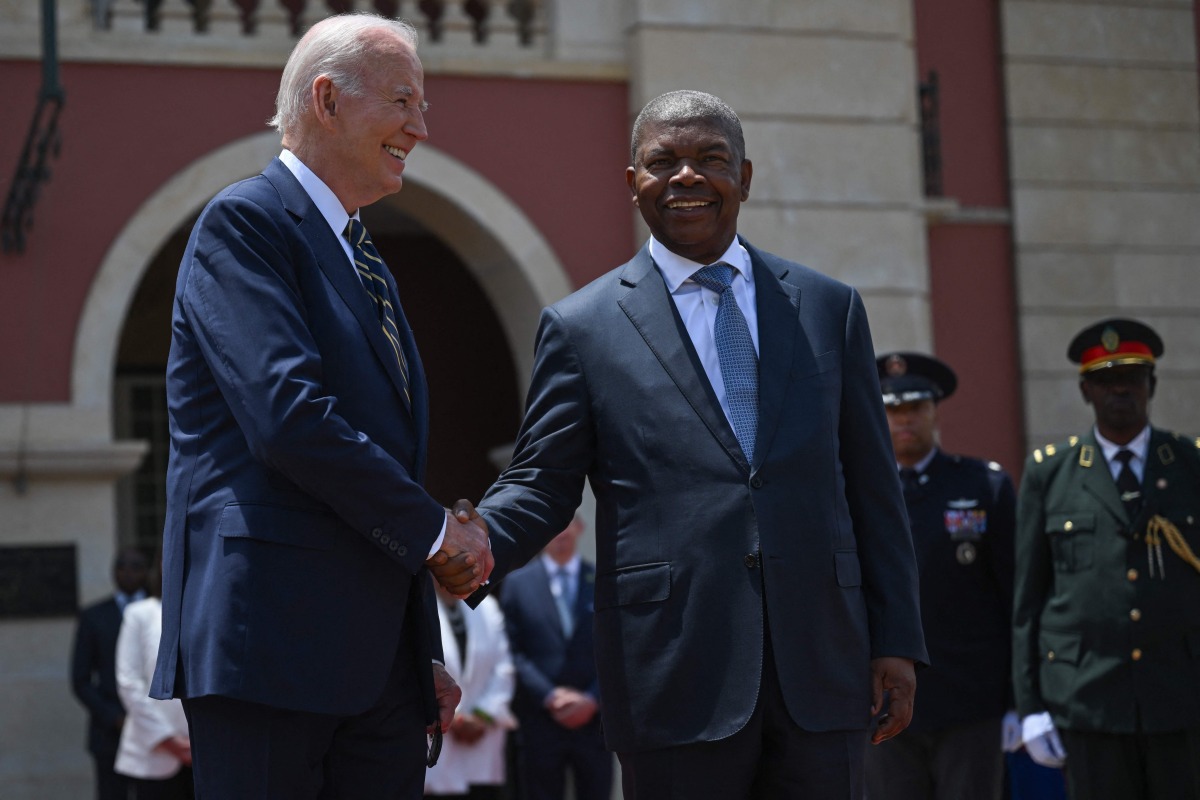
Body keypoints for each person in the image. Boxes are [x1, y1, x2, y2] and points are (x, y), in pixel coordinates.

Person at [456, 89, 928, 799]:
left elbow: (871, 485)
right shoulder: (583, 328)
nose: (686, 177)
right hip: (673, 675)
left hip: (824, 669)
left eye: (710, 158)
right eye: (663, 161)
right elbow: (543, 482)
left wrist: (896, 639)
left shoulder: (829, 307)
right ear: (632, 182)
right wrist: (471, 543)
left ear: (745, 176)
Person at [148, 13, 491, 799]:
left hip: (376, 677)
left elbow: (377, 462)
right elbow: (289, 418)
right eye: (404, 101)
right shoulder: (246, 224)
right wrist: (440, 533)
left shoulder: (363, 254)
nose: (421, 127)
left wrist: (413, 653)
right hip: (269, 653)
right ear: (328, 100)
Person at [1013, 318, 1200, 799]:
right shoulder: (1049, 474)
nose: (1120, 388)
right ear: (1085, 391)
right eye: (1104, 380)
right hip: (1088, 699)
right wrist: (1030, 705)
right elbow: (1028, 600)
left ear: (1152, 385)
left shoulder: (1189, 466)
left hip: (1181, 696)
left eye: (1133, 377)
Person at [865, 352, 1017, 800]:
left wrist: (1016, 700)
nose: (904, 419)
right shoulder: (853, 489)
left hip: (969, 702)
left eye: (915, 407)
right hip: (881, 700)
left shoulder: (982, 486)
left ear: (934, 411)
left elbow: (1014, 597)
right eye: (892, 409)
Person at [499, 515, 612, 800]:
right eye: (552, 525)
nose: (560, 532)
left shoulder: (603, 581)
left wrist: (591, 699)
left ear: (580, 528)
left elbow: (616, 647)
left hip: (595, 723)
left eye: (567, 523)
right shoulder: (516, 585)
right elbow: (512, 651)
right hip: (539, 721)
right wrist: (550, 696)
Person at [70, 545, 149, 800]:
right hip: (110, 734)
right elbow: (80, 679)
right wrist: (114, 717)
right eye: (121, 566)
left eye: (136, 566)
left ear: (147, 571)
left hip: (155, 729)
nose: (127, 573)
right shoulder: (94, 616)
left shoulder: (162, 611)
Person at [425, 583, 516, 799]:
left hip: (482, 742)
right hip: (438, 745)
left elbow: (504, 669)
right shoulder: (416, 607)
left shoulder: (488, 607)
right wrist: (454, 718)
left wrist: (482, 716)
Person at [114, 556, 193, 799]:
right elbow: (128, 682)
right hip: (153, 752)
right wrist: (169, 739)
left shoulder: (211, 612)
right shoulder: (139, 613)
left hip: (206, 748)